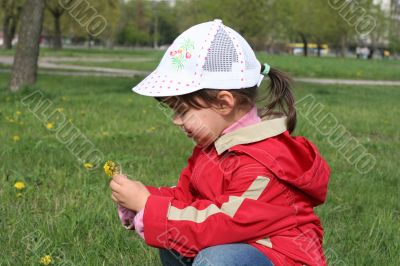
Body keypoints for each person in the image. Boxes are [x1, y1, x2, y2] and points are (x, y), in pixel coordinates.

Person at [109, 19, 330, 266]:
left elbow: (223, 222)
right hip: (242, 245)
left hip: (279, 257)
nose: (176, 121)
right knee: (174, 242)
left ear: (224, 103)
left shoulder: (263, 164)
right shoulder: (213, 148)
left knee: (217, 260)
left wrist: (149, 206)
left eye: (182, 110)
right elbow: (185, 199)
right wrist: (142, 199)